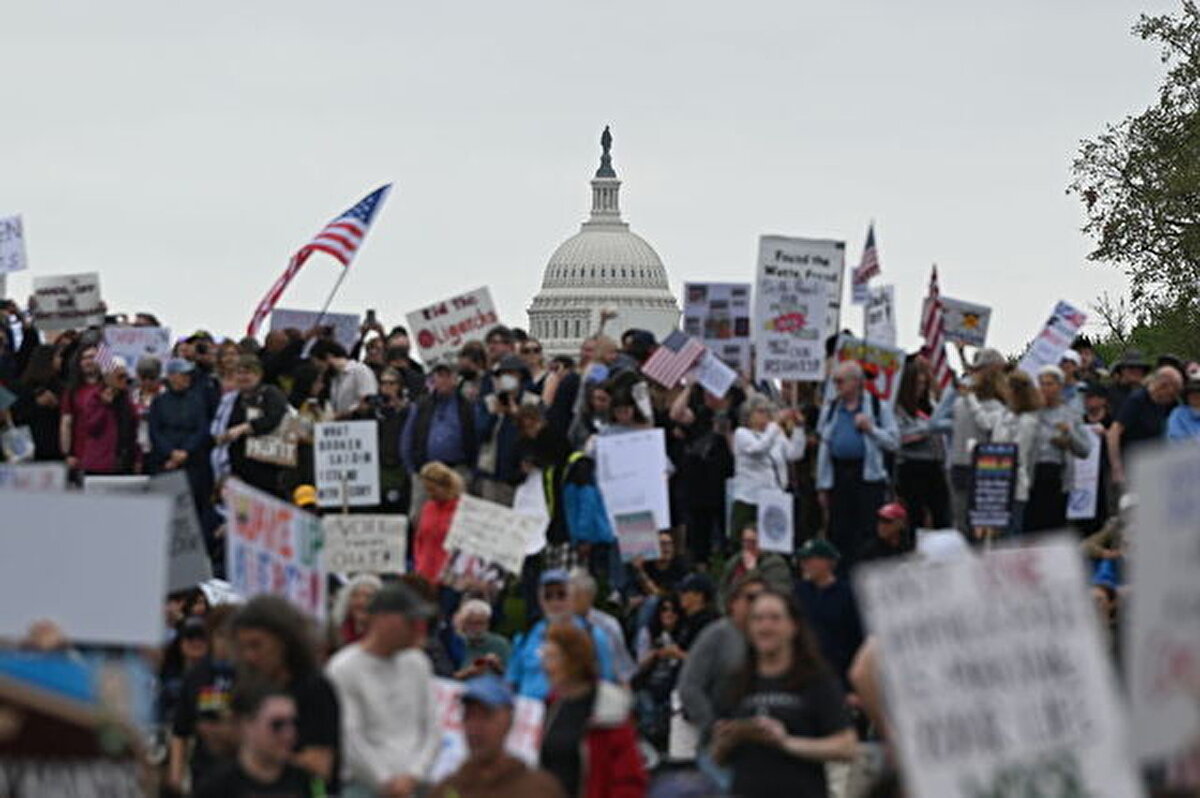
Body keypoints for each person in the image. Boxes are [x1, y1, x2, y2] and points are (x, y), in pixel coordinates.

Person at [712, 590, 857, 798]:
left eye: (775, 618)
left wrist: (786, 742)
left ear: (793, 626)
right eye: (758, 619)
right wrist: (727, 740)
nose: (765, 627)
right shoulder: (736, 681)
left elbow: (847, 746)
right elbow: (718, 757)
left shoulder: (817, 680)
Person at [326, 583, 441, 798]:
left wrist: (414, 775)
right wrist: (385, 781)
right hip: (363, 786)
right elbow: (349, 737)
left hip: (415, 784)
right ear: (383, 620)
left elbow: (433, 727)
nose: (416, 628)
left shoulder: (418, 663)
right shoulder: (343, 668)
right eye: (409, 621)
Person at [231, 596, 340, 789]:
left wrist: (263, 753)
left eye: (257, 645)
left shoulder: (314, 689)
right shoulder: (245, 688)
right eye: (243, 648)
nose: (249, 656)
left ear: (283, 642)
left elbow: (321, 765)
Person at [539, 623, 648, 798]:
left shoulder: (609, 711)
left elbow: (629, 780)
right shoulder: (551, 706)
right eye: (544, 657)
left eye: (552, 658)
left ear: (574, 660)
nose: (545, 666)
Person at [816, 361, 899, 570]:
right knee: (839, 530)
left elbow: (893, 441)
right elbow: (823, 445)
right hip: (839, 474)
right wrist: (822, 483)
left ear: (856, 382)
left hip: (867, 477)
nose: (837, 386)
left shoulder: (879, 407)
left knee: (867, 530)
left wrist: (871, 428)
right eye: (835, 381)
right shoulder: (832, 408)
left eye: (841, 381)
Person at [429, 675, 566, 798]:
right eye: (468, 716)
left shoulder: (538, 789)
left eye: (486, 716)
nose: (474, 727)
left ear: (509, 721)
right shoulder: (447, 789)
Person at [677, 575, 767, 746]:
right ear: (733, 602)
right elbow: (689, 686)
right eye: (750, 598)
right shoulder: (716, 636)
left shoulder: (779, 634)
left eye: (765, 597)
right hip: (724, 737)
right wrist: (712, 724)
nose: (758, 604)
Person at [194, 682, 325, 798]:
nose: (289, 734)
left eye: (294, 723)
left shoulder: (307, 782)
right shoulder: (215, 788)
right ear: (246, 725)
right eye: (277, 725)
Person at [507, 569, 616, 700]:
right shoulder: (526, 636)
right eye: (548, 596)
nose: (555, 602)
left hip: (573, 712)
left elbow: (606, 683)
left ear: (572, 597)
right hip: (530, 713)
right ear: (540, 600)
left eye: (561, 594)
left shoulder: (593, 635)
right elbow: (511, 681)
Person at [168, 605, 240, 795]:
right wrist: (175, 778)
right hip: (205, 776)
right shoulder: (196, 676)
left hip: (242, 777)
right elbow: (180, 732)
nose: (227, 642)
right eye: (222, 634)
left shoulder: (250, 675)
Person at [401, 360, 477, 522]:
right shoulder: (421, 404)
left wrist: (471, 471)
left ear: (456, 379)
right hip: (426, 470)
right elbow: (407, 439)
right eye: (439, 375)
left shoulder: (467, 406)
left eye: (447, 376)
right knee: (420, 518)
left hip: (457, 469)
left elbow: (475, 437)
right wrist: (413, 471)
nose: (442, 380)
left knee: (458, 519)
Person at [729, 395, 806, 542]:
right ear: (748, 415)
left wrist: (798, 429)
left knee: (773, 543)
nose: (766, 415)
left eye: (767, 411)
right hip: (749, 499)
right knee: (745, 541)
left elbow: (794, 454)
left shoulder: (776, 433)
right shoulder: (742, 433)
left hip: (774, 497)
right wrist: (775, 424)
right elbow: (758, 449)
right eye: (760, 411)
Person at [1025, 365, 1092, 532]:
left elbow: (1085, 450)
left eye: (1050, 384)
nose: (1045, 388)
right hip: (1032, 477)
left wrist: (1069, 438)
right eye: (1042, 384)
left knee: (1054, 530)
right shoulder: (1030, 413)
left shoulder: (1071, 414)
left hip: (1058, 478)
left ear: (1060, 387)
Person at [213, 355, 291, 497]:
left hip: (268, 468)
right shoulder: (232, 399)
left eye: (248, 372)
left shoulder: (270, 393)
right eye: (239, 372)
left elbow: (273, 418)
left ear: (258, 374)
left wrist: (244, 428)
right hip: (239, 470)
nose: (243, 377)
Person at [948, 348, 1008, 531]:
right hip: (958, 465)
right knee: (960, 521)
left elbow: (988, 425)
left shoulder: (997, 407)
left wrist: (971, 399)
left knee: (980, 524)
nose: (974, 377)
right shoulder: (958, 403)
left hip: (984, 468)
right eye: (974, 372)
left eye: (979, 373)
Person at [892, 357, 954, 528]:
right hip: (911, 466)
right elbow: (900, 436)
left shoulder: (930, 406)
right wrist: (928, 429)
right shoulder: (898, 409)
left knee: (942, 515)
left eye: (923, 384)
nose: (921, 388)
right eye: (917, 384)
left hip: (935, 465)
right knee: (915, 517)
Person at [793, 539, 863, 690]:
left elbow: (856, 639)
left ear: (827, 563)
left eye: (809, 560)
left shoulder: (847, 595)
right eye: (802, 560)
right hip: (803, 674)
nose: (804, 565)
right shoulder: (798, 592)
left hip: (837, 676)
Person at [60, 343, 136, 475]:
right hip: (81, 455)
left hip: (111, 455)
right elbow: (67, 423)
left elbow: (129, 420)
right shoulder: (73, 391)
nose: (89, 361)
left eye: (93, 357)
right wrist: (67, 454)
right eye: (85, 358)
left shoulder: (115, 390)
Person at [986, 368, 1041, 537]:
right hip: (996, 483)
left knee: (1011, 534)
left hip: (1015, 484)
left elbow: (1018, 452)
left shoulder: (1028, 421)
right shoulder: (1003, 415)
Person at [149, 357, 213, 503]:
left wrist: (186, 451)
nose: (187, 378)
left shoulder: (197, 400)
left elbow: (201, 429)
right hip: (165, 461)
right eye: (182, 374)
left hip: (192, 462)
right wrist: (170, 452)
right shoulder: (159, 402)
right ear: (171, 376)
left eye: (188, 375)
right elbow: (155, 432)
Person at [1108, 366, 1184, 485]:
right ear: (1162, 386)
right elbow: (1114, 432)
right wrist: (1116, 467)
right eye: (1172, 394)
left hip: (1154, 464)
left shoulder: (1166, 403)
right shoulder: (1137, 400)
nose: (1172, 398)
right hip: (1132, 464)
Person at [631, 593, 686, 750]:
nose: (668, 614)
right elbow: (640, 664)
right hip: (650, 683)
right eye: (664, 610)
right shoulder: (648, 633)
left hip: (673, 685)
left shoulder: (683, 634)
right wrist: (656, 653)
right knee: (647, 710)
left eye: (673, 610)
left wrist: (677, 653)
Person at [569, 569, 636, 684]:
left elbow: (622, 665)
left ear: (590, 596)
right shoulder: (558, 622)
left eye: (577, 595)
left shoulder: (608, 624)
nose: (570, 600)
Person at [412, 461, 464, 586]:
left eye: (433, 490)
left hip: (450, 577)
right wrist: (418, 564)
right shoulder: (428, 507)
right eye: (427, 490)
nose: (430, 494)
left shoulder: (462, 510)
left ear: (447, 486)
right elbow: (419, 539)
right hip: (425, 573)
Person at [718, 524, 792, 611]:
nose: (747, 545)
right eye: (744, 541)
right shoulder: (735, 562)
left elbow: (777, 593)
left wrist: (752, 571)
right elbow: (722, 589)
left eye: (753, 542)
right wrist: (724, 610)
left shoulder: (775, 564)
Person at [310, 340, 379, 419]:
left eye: (321, 367)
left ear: (328, 357)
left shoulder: (360, 371)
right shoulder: (334, 379)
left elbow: (368, 403)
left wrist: (338, 415)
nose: (322, 371)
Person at [454, 599, 511, 679]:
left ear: (488, 624)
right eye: (471, 623)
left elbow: (513, 678)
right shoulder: (456, 643)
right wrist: (469, 672)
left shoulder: (500, 644)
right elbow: (445, 679)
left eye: (481, 623)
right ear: (463, 624)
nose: (477, 628)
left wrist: (497, 667)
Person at [331, 574, 383, 647]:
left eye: (368, 596)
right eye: (355, 596)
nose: (361, 602)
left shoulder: (385, 637)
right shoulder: (335, 635)